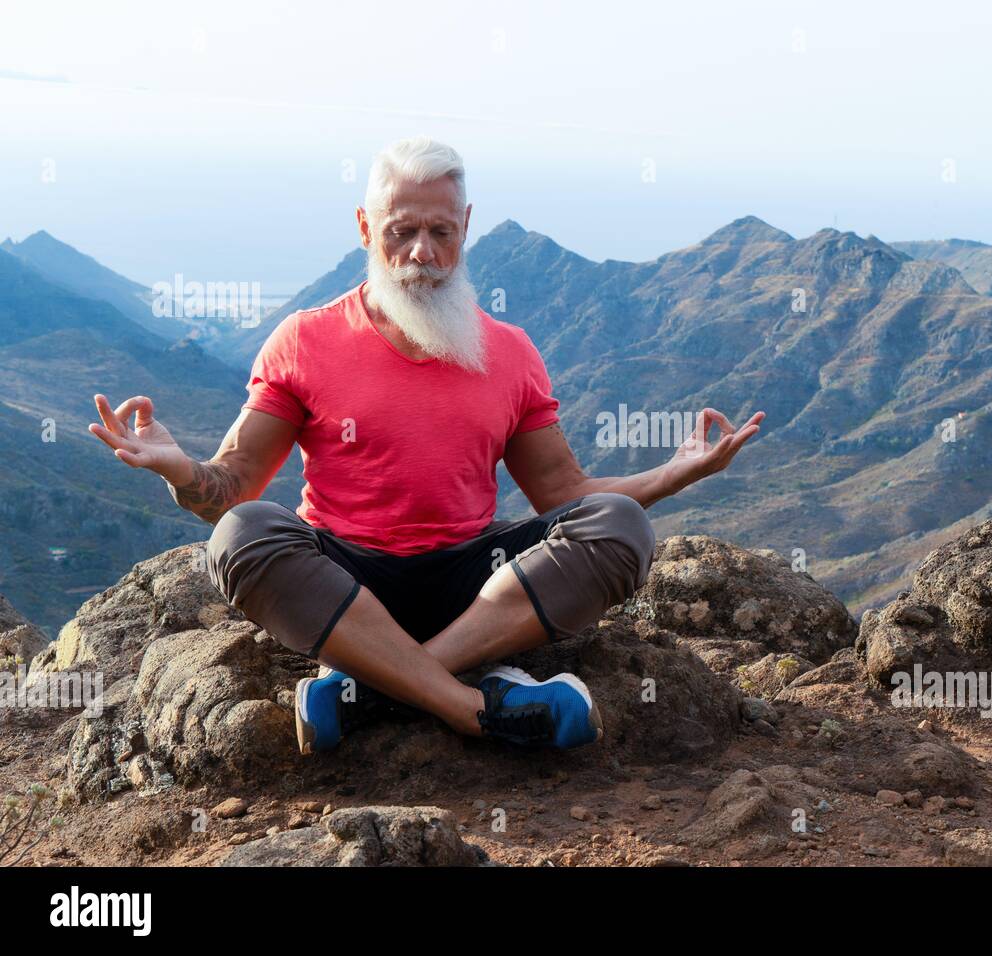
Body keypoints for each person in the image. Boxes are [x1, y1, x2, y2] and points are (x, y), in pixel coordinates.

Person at [89, 136, 764, 754]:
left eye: (441, 232)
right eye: (401, 232)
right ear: (364, 229)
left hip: (476, 584)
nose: (422, 253)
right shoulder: (305, 340)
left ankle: (375, 688)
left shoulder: (509, 352)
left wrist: (675, 473)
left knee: (620, 527)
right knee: (242, 535)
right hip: (347, 581)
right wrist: (179, 470)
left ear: (466, 227)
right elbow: (231, 486)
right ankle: (475, 704)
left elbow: (563, 495)